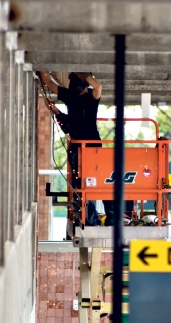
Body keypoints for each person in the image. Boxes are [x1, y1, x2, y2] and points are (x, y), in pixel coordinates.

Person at [37, 71, 128, 226]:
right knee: (86, 184)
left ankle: (101, 219)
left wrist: (42, 71)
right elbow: (48, 82)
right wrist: (54, 109)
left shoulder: (80, 97)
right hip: (84, 147)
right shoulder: (79, 97)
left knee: (92, 182)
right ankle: (93, 219)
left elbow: (49, 82)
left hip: (88, 148)